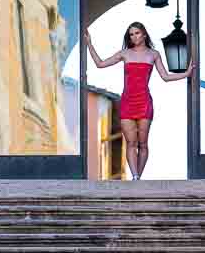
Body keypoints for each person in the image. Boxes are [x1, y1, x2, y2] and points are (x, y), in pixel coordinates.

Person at [83, 22, 194, 180]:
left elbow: (166, 77)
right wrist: (89, 44)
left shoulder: (153, 54)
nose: (134, 36)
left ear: (144, 34)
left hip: (144, 103)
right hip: (127, 102)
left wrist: (187, 73)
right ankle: (135, 176)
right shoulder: (125, 53)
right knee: (131, 143)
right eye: (131, 34)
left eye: (136, 33)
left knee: (143, 144)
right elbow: (100, 64)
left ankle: (138, 179)